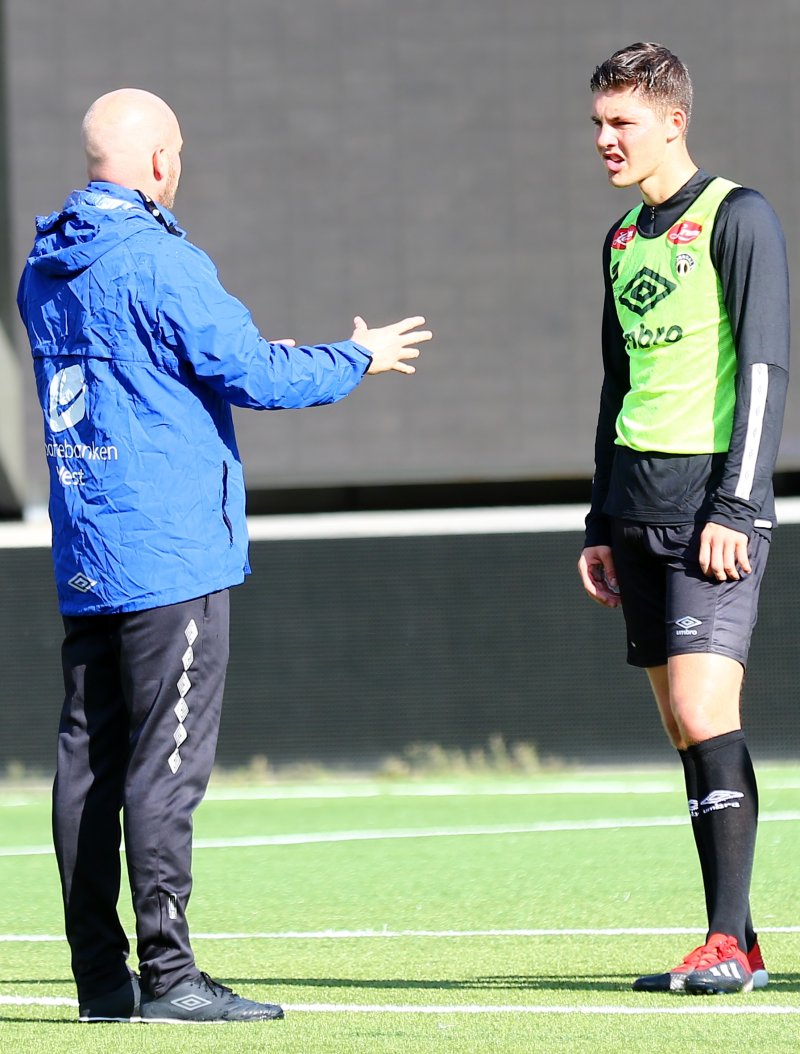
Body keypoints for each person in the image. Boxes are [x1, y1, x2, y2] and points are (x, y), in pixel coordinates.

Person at [17, 87, 431, 1024]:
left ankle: (101, 982)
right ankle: (169, 977)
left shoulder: (44, 267)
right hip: (172, 555)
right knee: (165, 768)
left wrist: (249, 353)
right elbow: (255, 375)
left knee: (86, 765)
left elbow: (159, 367)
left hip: (90, 550)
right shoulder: (164, 262)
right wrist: (356, 357)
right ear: (162, 161)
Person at [577, 43, 789, 995]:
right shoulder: (622, 239)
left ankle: (724, 942)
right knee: (680, 725)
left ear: (674, 119)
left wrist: (738, 504)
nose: (605, 140)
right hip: (636, 510)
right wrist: (597, 518)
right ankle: (736, 943)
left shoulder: (737, 216)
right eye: (597, 124)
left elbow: (763, 371)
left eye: (620, 122)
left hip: (713, 506)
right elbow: (617, 385)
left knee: (708, 710)